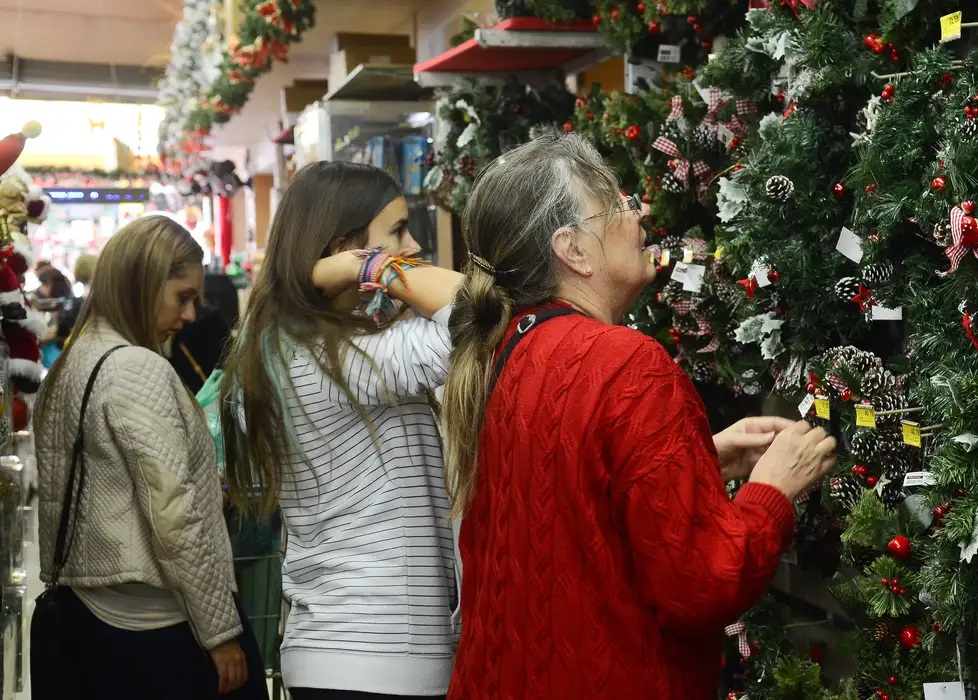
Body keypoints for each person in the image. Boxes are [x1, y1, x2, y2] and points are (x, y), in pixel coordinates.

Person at [440, 133, 838, 699]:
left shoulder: (502, 351)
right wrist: (772, 489)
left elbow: (572, 500)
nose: (640, 211)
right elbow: (702, 582)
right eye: (619, 203)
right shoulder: (627, 365)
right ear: (572, 250)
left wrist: (695, 459)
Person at [221, 161, 463, 700]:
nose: (414, 245)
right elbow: (476, 312)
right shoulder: (336, 358)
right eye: (397, 231)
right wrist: (374, 267)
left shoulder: (285, 346)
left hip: (339, 649)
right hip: (380, 654)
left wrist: (332, 273)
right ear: (344, 248)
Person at [33, 215, 267, 699]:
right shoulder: (137, 368)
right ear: (140, 282)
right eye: (182, 297)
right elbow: (175, 517)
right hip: (160, 624)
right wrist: (221, 632)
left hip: (92, 613)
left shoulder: (75, 361)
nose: (189, 315)